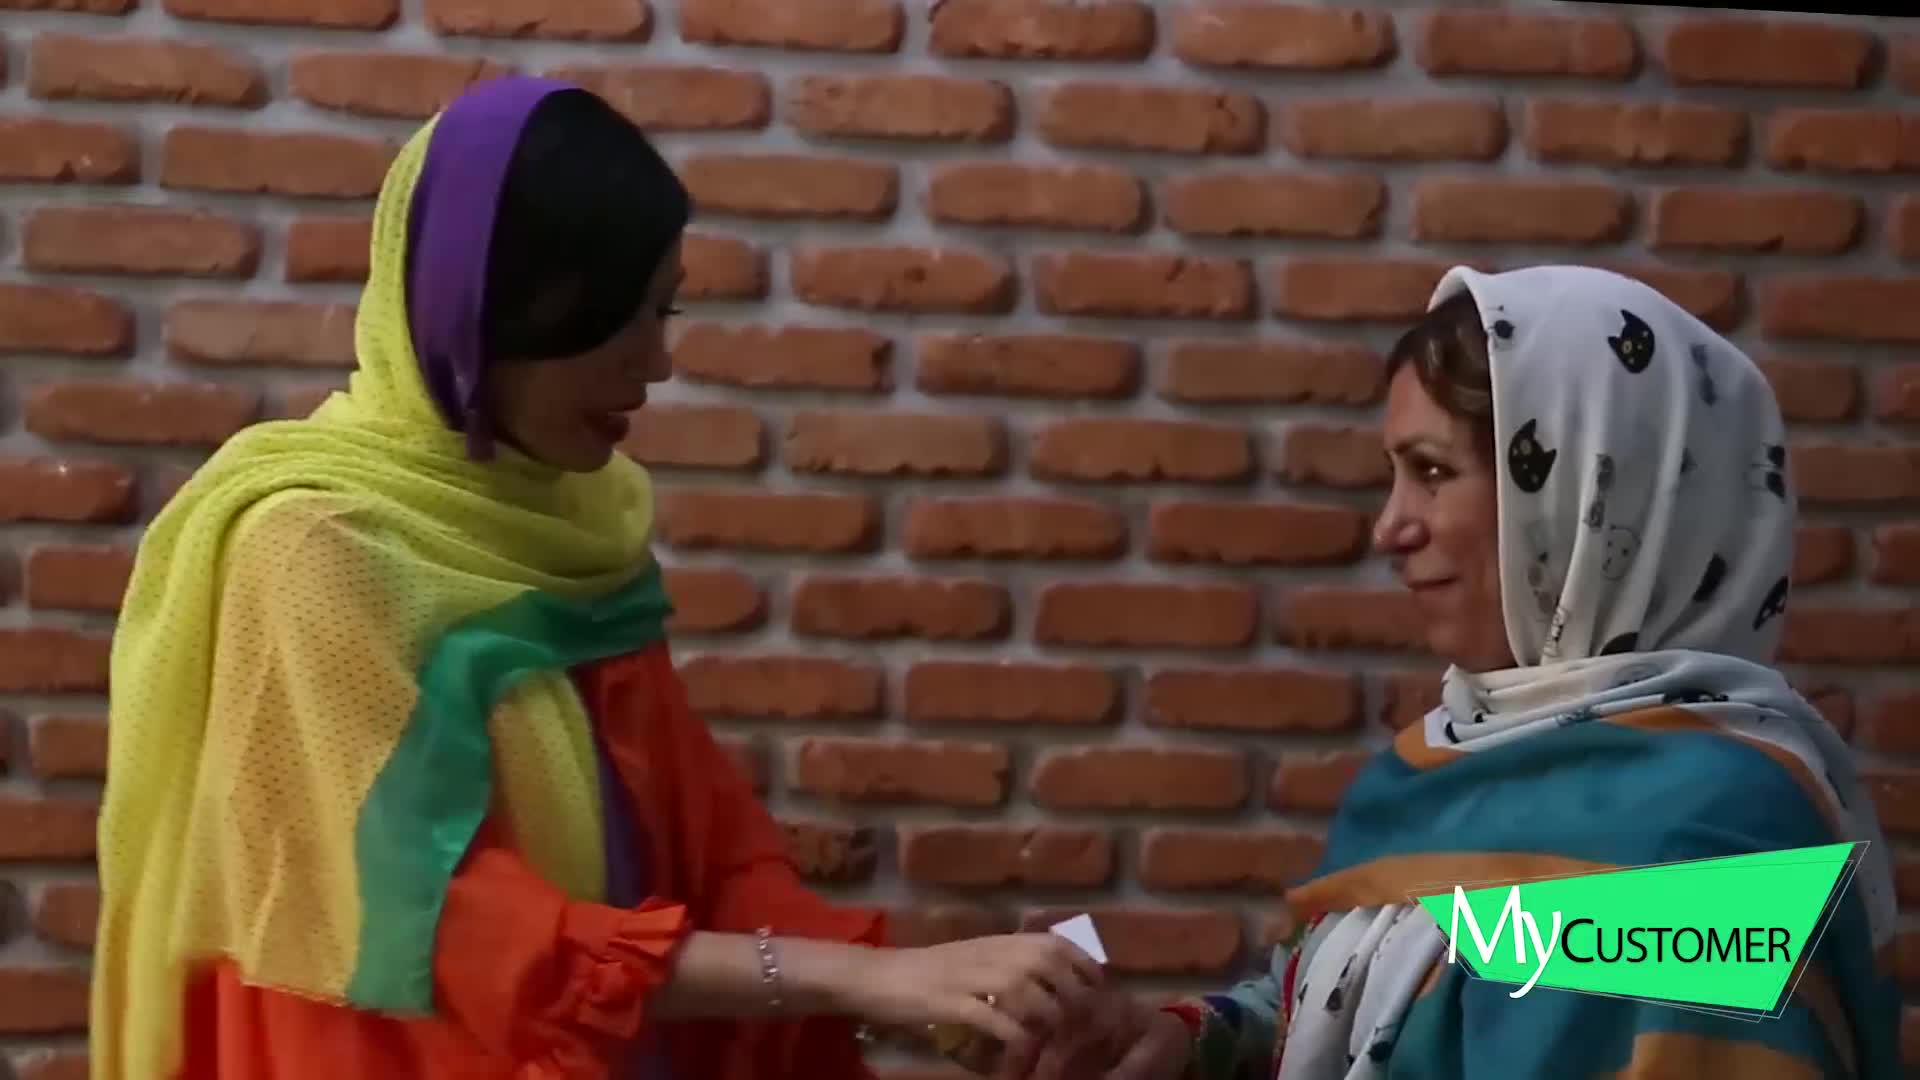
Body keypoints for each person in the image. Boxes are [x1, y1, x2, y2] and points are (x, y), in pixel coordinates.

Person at [89, 76, 1101, 1080]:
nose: (655, 363)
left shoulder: (577, 534)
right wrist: (852, 979)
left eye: (664, 311)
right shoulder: (313, 550)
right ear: (487, 307)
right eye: (615, 316)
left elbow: (713, 849)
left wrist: (940, 992)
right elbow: (439, 918)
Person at [1030, 265, 1903, 1079]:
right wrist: (1184, 1044)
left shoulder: (1714, 834)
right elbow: (1352, 1005)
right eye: (1396, 475)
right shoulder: (1436, 770)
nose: (1390, 528)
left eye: (1433, 472)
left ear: (1584, 495)